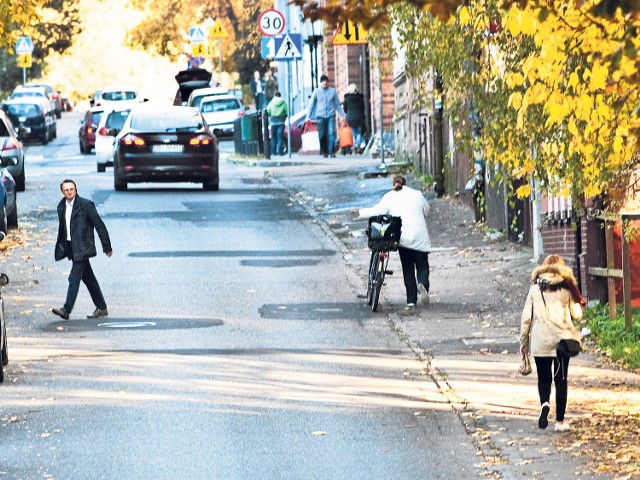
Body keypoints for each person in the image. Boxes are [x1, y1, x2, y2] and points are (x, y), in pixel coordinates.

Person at [519, 254, 586, 432]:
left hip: (540, 341)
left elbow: (526, 317)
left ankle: (545, 405)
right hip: (562, 341)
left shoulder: (535, 288)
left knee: (543, 378)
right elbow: (577, 314)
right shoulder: (566, 287)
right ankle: (560, 422)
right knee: (561, 380)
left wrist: (524, 340)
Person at [358, 175, 431, 307]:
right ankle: (422, 284)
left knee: (407, 268)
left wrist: (360, 212)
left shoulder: (389, 197)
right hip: (420, 236)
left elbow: (377, 211)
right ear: (405, 183)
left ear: (394, 184)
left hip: (403, 238)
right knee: (422, 266)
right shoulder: (417, 194)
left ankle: (410, 301)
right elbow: (427, 210)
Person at [52, 180, 113, 320]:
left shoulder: (85, 205)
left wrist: (107, 246)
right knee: (89, 278)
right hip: (71, 248)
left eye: (72, 189)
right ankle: (102, 308)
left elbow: (99, 225)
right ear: (62, 192)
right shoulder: (61, 206)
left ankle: (66, 309)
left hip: (83, 247)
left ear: (76, 189)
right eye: (66, 190)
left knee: (74, 277)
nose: (69, 192)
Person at [306, 74, 345, 158]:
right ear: (320, 83)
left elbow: (337, 104)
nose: (324, 83)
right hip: (321, 115)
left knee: (331, 133)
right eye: (323, 82)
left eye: (326, 81)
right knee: (322, 135)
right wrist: (308, 117)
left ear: (328, 82)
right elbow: (311, 105)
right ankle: (324, 151)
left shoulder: (332, 91)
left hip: (331, 115)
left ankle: (331, 151)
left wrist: (343, 115)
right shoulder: (316, 92)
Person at [343, 83, 366, 154]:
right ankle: (358, 145)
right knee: (359, 133)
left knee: (353, 133)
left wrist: (348, 113)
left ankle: (354, 148)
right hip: (359, 117)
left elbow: (345, 109)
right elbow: (363, 108)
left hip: (350, 118)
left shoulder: (346, 98)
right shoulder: (360, 98)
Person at [266, 91, 288, 156]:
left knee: (273, 138)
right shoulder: (284, 103)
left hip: (273, 123)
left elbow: (268, 111)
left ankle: (273, 152)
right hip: (281, 122)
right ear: (280, 96)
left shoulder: (271, 103)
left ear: (274, 96)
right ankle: (280, 152)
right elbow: (286, 111)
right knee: (280, 137)